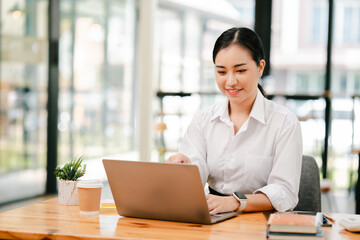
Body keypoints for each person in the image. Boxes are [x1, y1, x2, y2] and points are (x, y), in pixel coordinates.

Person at [166, 27, 303, 215]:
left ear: (260, 67)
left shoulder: (284, 123)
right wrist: (183, 168)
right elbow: (195, 173)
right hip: (213, 215)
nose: (230, 82)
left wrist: (236, 202)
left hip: (261, 221)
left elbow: (285, 192)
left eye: (240, 71)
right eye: (222, 72)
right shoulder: (203, 120)